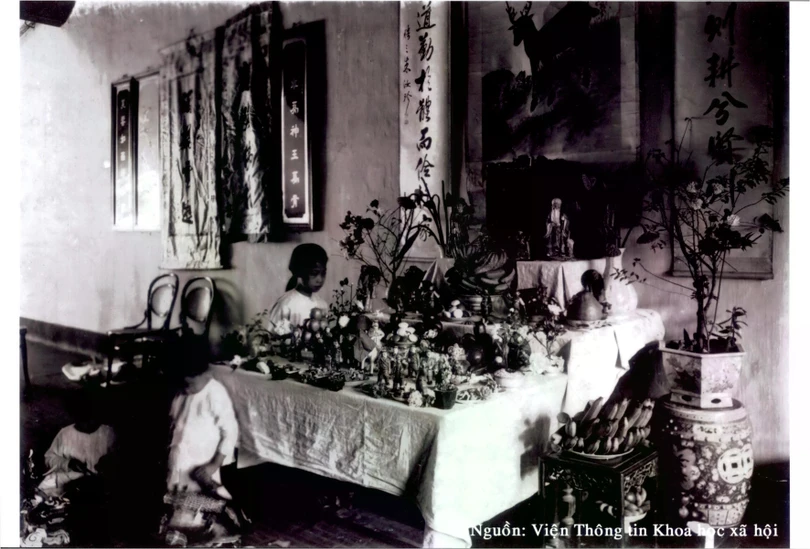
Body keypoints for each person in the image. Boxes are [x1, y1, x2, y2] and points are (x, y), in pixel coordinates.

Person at [161, 337, 242, 547]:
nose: (184, 389)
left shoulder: (215, 394)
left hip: (202, 465)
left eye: (188, 384)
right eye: (180, 384)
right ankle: (180, 534)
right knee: (177, 504)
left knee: (202, 509)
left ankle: (210, 535)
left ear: (206, 374)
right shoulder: (182, 393)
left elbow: (230, 432)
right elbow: (175, 422)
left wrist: (214, 464)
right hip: (180, 460)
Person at [267, 243, 329, 328]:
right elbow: (271, 333)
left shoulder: (322, 304)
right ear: (301, 272)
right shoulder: (286, 304)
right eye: (314, 273)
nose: (320, 279)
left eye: (323, 273)